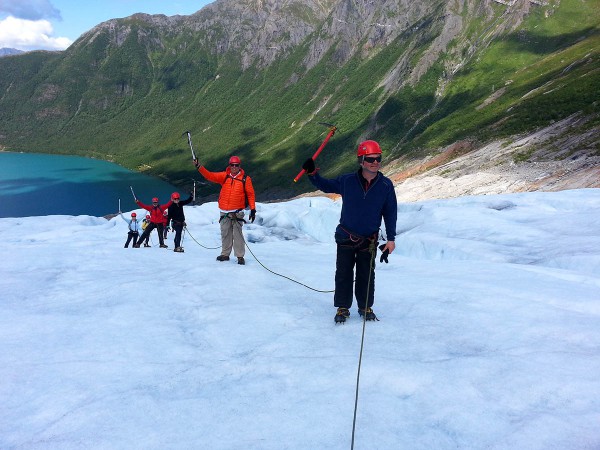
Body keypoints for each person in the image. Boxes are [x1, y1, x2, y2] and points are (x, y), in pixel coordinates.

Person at [302, 140, 397, 323]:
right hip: (346, 236)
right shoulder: (347, 181)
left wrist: (391, 239)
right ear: (361, 161)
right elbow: (326, 185)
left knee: (367, 275)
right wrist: (313, 173)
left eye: (378, 158)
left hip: (369, 239)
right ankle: (343, 307)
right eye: (371, 159)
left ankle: (365, 306)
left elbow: (390, 212)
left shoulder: (385, 185)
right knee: (344, 272)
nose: (375, 162)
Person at [194, 155, 256, 265]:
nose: (234, 167)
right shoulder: (225, 176)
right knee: (225, 233)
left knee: (238, 234)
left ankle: (240, 256)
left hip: (237, 211)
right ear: (229, 165)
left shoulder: (245, 179)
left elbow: (251, 194)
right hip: (224, 211)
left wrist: (253, 209)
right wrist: (199, 167)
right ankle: (225, 254)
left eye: (236, 165)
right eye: (232, 165)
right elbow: (210, 176)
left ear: (239, 166)